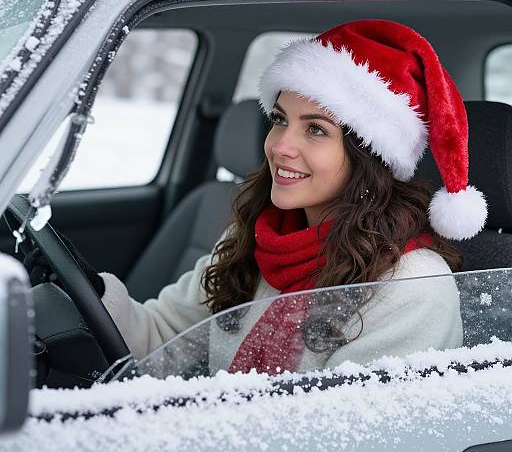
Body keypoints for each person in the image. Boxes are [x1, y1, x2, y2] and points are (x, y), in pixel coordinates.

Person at [98, 19, 488, 375]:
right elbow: (162, 338)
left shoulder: (412, 288)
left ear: (368, 157)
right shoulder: (256, 236)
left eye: (315, 130)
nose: (280, 145)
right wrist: (90, 298)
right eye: (280, 120)